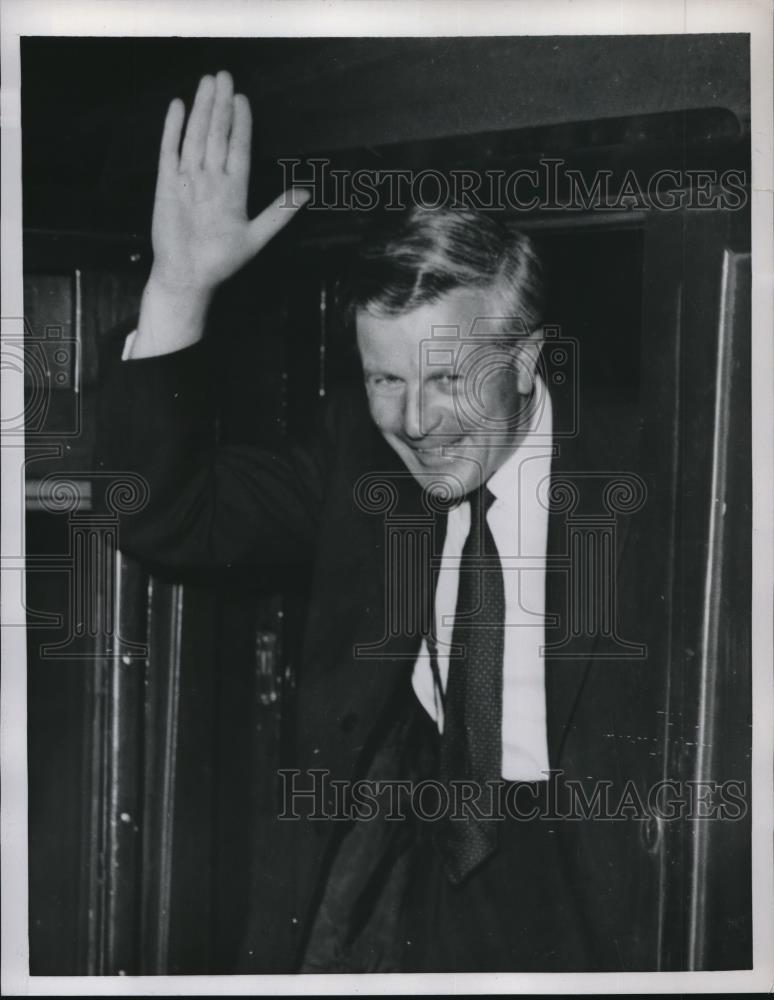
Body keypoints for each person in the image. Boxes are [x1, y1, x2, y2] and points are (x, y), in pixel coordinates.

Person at [100, 70, 657, 972]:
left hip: (601, 884)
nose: (414, 423)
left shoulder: (662, 462)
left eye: (448, 380)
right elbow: (158, 514)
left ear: (528, 359)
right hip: (415, 853)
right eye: (384, 380)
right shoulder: (360, 454)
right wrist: (177, 290)